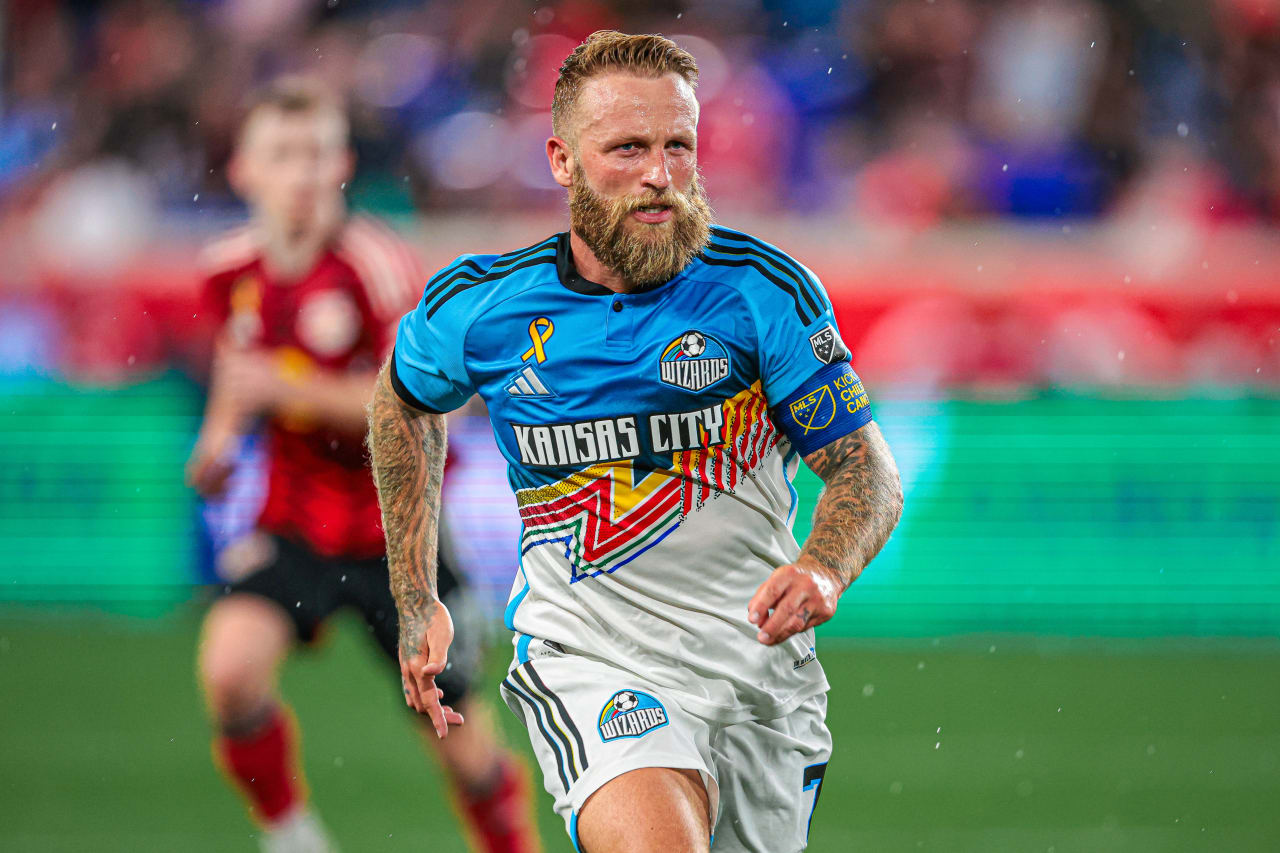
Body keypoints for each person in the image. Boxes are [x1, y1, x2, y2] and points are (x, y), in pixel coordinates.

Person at [368, 31, 904, 853]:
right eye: (628, 148)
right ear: (562, 160)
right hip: (591, 656)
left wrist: (823, 566)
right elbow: (401, 405)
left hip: (756, 677)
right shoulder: (485, 306)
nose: (660, 174)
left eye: (678, 146)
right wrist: (416, 596)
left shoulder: (762, 292)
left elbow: (864, 468)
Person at [187, 78, 539, 853]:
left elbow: (424, 405)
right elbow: (238, 368)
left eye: (316, 154)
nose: (303, 172)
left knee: (461, 743)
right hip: (296, 519)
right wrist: (218, 440)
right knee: (230, 670)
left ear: (343, 164)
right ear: (244, 170)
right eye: (284, 155)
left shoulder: (377, 266)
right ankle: (292, 835)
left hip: (399, 532)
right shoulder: (226, 272)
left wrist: (288, 389)